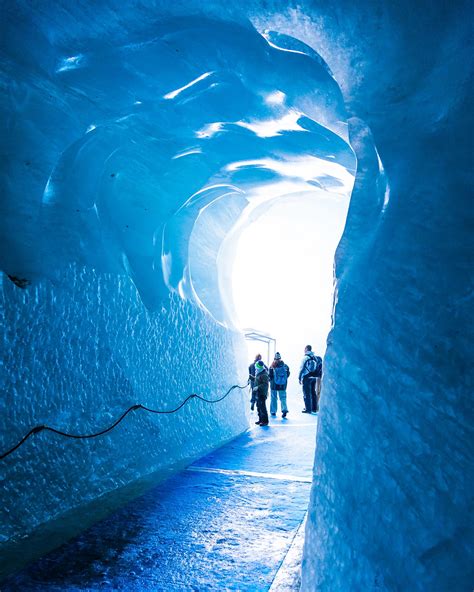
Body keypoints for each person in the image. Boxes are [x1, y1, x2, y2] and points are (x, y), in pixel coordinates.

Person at [298, 345, 322, 413]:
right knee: (313, 392)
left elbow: (301, 369)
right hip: (313, 377)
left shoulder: (305, 357)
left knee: (306, 393)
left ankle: (308, 409)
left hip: (306, 377)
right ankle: (314, 408)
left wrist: (299, 378)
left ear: (306, 349)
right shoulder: (314, 357)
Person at [269, 352, 290, 418]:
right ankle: (284, 410)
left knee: (273, 398)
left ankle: (273, 411)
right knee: (283, 398)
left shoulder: (272, 367)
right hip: (283, 385)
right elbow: (288, 375)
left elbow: (270, 376)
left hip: (274, 385)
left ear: (274, 358)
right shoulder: (285, 366)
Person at [253, 360, 269, 426]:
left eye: (256, 367)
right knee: (258, 406)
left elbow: (265, 384)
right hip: (258, 393)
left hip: (262, 393)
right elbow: (258, 380)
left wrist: (258, 387)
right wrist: (252, 377)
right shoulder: (259, 372)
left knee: (262, 407)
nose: (255, 368)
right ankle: (260, 420)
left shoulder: (264, 374)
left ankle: (265, 421)